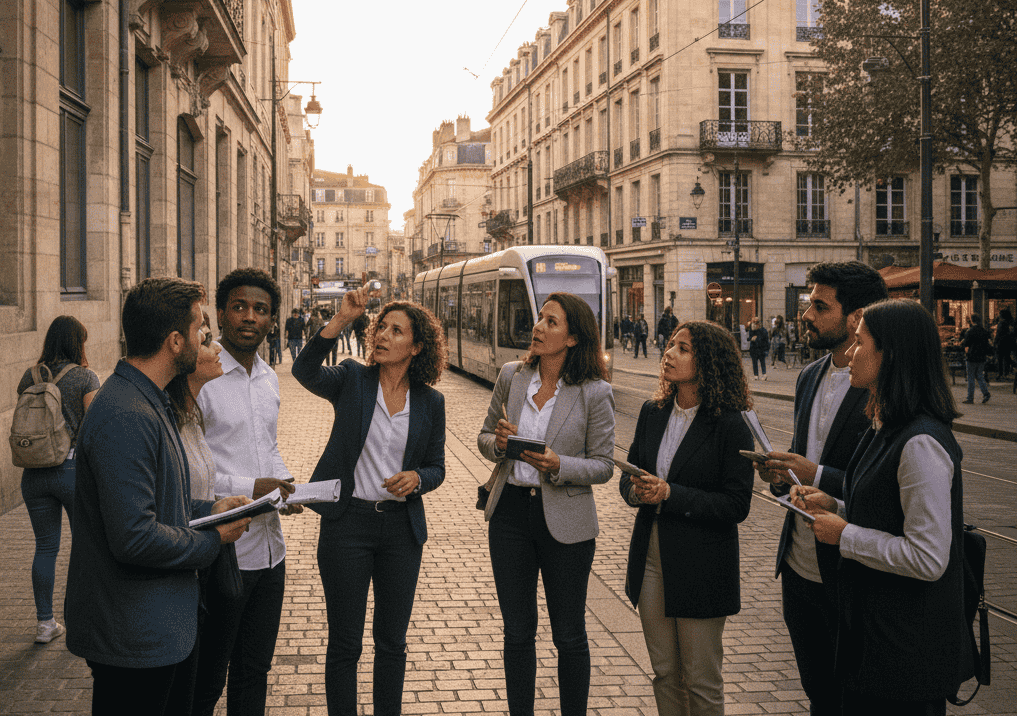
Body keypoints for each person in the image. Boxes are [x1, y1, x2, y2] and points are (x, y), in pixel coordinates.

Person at [64, 277, 250, 716]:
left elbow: (162, 501)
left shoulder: (149, 400)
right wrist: (213, 539)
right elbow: (134, 537)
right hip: (134, 634)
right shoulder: (124, 412)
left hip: (158, 627)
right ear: (174, 340)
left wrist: (210, 509)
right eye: (201, 329)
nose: (207, 338)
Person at [791, 299, 969, 715]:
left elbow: (927, 557)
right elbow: (885, 509)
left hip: (904, 653)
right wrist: (834, 503)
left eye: (860, 342)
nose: (850, 353)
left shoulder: (920, 442)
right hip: (874, 640)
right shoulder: (884, 425)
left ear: (891, 354)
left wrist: (845, 535)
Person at [293, 285, 447, 716]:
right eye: (381, 327)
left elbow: (437, 467)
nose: (382, 335)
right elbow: (304, 372)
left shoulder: (431, 402)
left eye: (396, 331)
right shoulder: (351, 380)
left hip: (401, 531)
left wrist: (418, 478)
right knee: (345, 642)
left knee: (392, 643)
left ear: (416, 347)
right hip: (348, 526)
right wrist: (340, 319)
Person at [759, 260, 888, 716]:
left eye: (819, 305)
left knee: (852, 695)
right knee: (818, 693)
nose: (805, 314)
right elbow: (802, 460)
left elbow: (880, 485)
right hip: (798, 569)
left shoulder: (881, 384)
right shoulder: (808, 376)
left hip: (851, 571)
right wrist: (782, 478)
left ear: (855, 318)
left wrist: (815, 474)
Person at [478, 292, 615, 716]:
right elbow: (484, 437)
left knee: (569, 634)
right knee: (518, 632)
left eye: (551, 322)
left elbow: (604, 464)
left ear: (573, 338)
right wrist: (499, 444)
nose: (538, 327)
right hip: (510, 516)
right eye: (540, 318)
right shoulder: (512, 376)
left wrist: (559, 464)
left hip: (567, 521)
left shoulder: (594, 392)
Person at [619, 320, 753, 716]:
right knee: (664, 672)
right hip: (651, 557)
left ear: (709, 362)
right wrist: (634, 490)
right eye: (671, 345)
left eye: (683, 348)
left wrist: (671, 494)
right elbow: (632, 471)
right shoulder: (652, 411)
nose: (669, 353)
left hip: (701, 563)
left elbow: (736, 504)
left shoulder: (731, 422)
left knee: (700, 679)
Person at [193, 268, 303, 716]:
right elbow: (191, 474)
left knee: (254, 672)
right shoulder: (201, 377)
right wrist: (251, 488)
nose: (249, 317)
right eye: (239, 306)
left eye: (260, 310)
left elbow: (267, 447)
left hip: (270, 553)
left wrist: (286, 486)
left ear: (272, 321)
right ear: (220, 314)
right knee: (208, 676)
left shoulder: (270, 378)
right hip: (223, 554)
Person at [16, 316, 100, 644]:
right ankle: (88, 618)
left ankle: (44, 623)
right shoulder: (85, 377)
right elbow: (93, 429)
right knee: (87, 547)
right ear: (76, 343)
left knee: (46, 547)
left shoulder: (29, 376)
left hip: (33, 474)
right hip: (71, 471)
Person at [960, 314, 991, 404]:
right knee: (980, 376)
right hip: (982, 357)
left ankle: (970, 398)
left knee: (971, 377)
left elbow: (966, 345)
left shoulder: (970, 331)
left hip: (972, 357)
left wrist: (967, 353)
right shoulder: (984, 331)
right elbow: (987, 344)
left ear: (972, 321)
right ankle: (986, 393)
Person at [994, 308, 1014, 380]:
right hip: (1008, 344)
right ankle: (1006, 373)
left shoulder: (1001, 324)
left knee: (999, 359)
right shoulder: (1010, 323)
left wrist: (995, 343)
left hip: (1001, 344)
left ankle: (1000, 374)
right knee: (1006, 358)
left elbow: (998, 335)